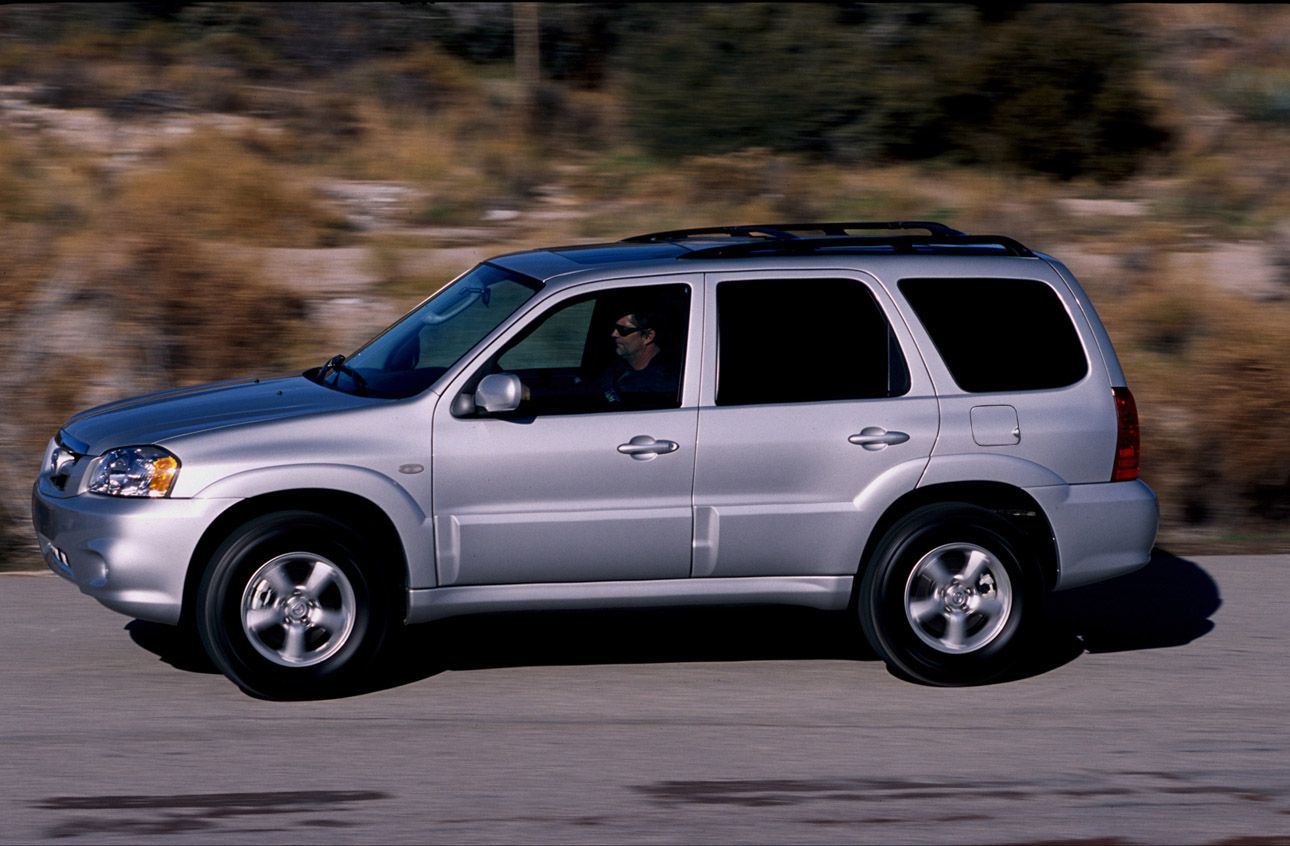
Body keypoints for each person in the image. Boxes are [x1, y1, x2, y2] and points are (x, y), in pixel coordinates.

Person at [599, 310, 678, 406]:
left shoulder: (663, 383)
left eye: (623, 329)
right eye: (615, 328)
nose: (614, 334)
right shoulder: (618, 368)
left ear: (648, 336)